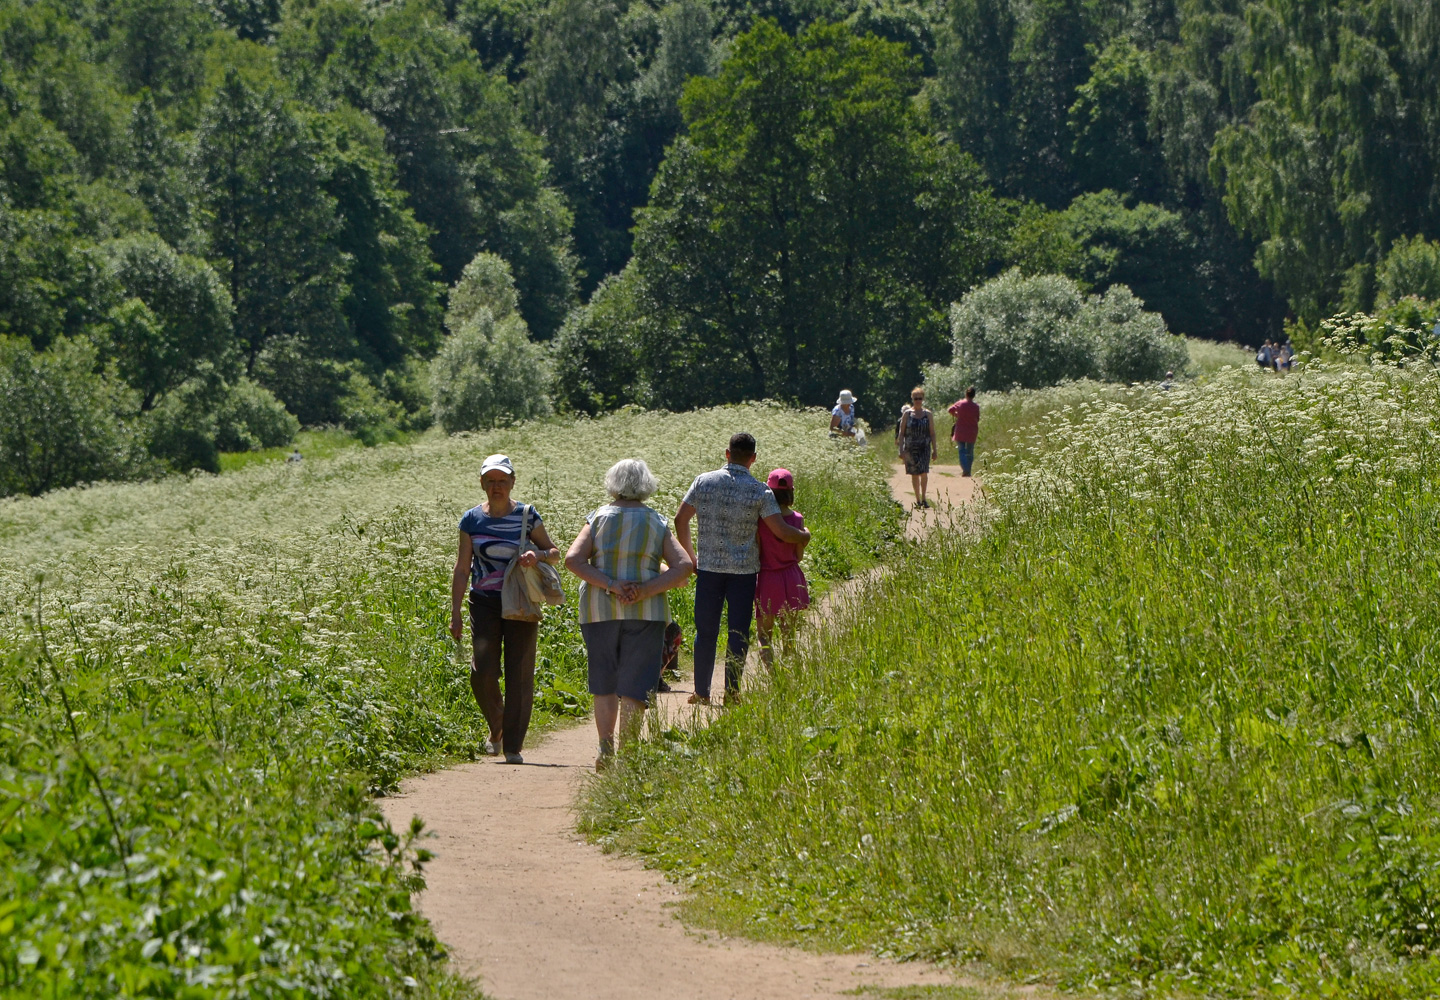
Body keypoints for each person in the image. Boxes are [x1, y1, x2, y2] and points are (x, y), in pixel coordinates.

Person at [565, 459, 693, 770]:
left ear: (613, 483)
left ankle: (606, 748)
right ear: (647, 485)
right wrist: (646, 590)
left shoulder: (597, 518)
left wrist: (610, 584)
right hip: (646, 612)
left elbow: (573, 560)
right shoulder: (656, 521)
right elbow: (685, 566)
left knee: (604, 679)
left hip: (598, 610)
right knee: (635, 685)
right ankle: (630, 754)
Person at [675, 433, 810, 706]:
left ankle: (701, 692)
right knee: (738, 631)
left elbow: (680, 520)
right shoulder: (759, 490)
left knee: (706, 630)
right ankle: (732, 693)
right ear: (753, 458)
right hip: (744, 572)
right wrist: (804, 536)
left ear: (727, 453)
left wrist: (691, 558)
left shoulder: (703, 481)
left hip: (709, 568)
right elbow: (780, 531)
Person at [449, 454, 561, 765]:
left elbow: (554, 552)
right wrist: (455, 612)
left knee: (519, 672)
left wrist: (535, 555)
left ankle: (512, 746)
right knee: (482, 670)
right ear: (482, 484)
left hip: (521, 599)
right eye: (491, 481)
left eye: (502, 481)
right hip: (484, 601)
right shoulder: (471, 520)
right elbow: (462, 568)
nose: (497, 486)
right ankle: (497, 724)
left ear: (512, 482)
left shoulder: (527, 515)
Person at [754, 468, 810, 671]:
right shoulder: (798, 519)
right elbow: (800, 556)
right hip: (792, 577)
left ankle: (772, 672)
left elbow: (758, 551)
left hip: (769, 578)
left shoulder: (762, 520)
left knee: (764, 633)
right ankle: (788, 670)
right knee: (788, 632)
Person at [895, 387, 938, 507]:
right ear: (912, 399)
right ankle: (917, 499)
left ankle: (924, 498)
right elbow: (901, 433)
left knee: (924, 472)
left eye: (920, 398)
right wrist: (901, 449)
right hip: (910, 447)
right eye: (915, 398)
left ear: (923, 399)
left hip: (924, 447)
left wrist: (935, 450)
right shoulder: (907, 414)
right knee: (914, 473)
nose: (918, 401)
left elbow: (932, 433)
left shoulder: (928, 414)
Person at [947, 386, 980, 478]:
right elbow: (977, 419)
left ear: (966, 394)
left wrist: (957, 415)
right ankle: (968, 470)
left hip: (960, 430)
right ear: (974, 395)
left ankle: (965, 470)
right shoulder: (976, 406)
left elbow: (950, 410)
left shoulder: (960, 403)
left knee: (962, 450)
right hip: (972, 430)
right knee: (970, 451)